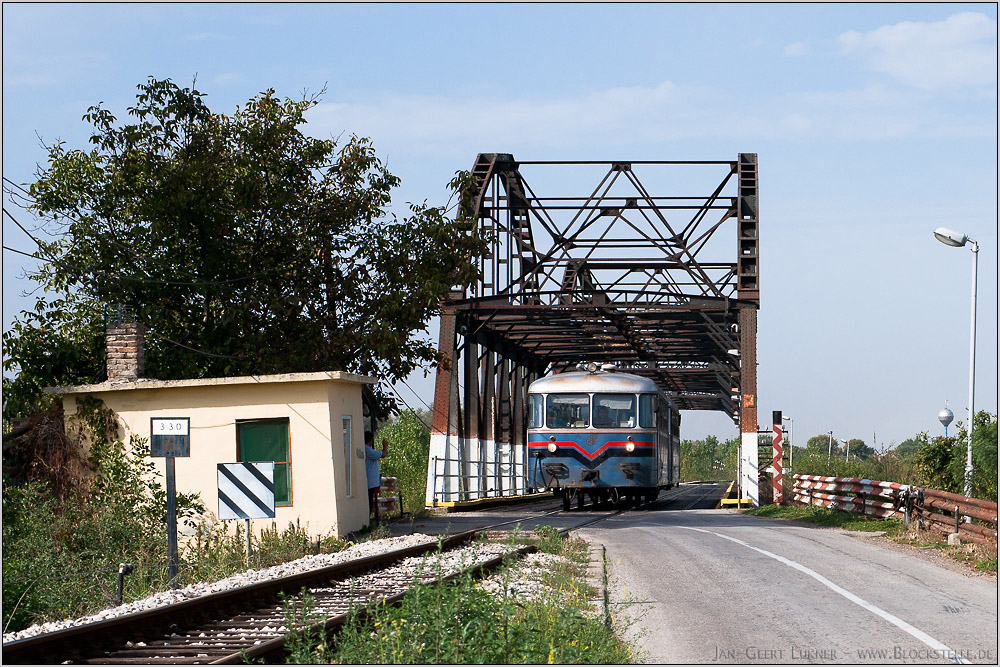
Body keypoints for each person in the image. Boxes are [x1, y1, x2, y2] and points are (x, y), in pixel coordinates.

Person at [364, 431, 388, 525]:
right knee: (369, 502)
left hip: (372, 481)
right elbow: (383, 454)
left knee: (371, 501)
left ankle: (370, 520)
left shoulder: (367, 450)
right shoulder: (368, 450)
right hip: (370, 481)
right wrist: (385, 446)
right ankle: (368, 522)